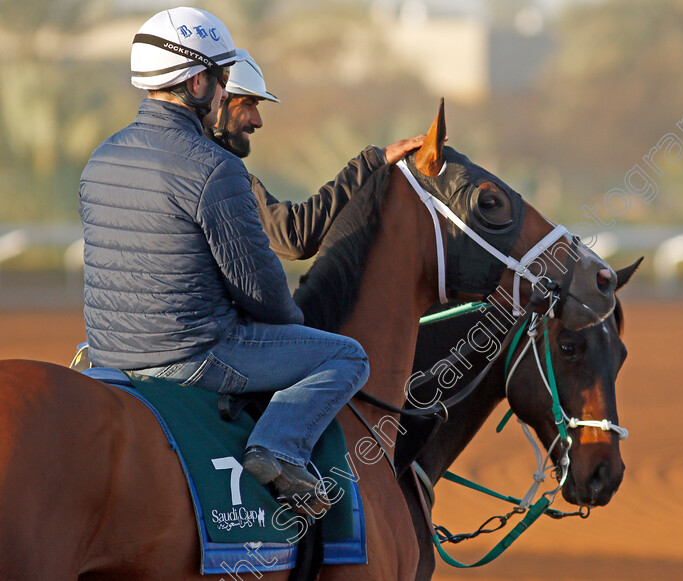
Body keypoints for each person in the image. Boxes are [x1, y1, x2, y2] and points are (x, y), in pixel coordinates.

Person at [77, 7, 414, 512]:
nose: (222, 93)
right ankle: (277, 448)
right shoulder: (216, 168)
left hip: (106, 356)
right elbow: (262, 292)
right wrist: (296, 325)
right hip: (193, 357)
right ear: (196, 83)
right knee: (346, 355)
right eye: (219, 80)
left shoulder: (99, 158)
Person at [204, 55, 424, 259]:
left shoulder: (184, 159)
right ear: (218, 100)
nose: (258, 121)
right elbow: (293, 237)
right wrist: (374, 161)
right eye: (248, 104)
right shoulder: (216, 173)